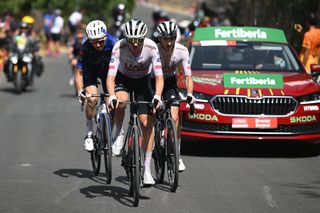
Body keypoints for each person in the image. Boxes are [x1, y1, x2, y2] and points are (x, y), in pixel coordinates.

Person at [106, 19, 164, 185]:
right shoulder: (119, 47)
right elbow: (110, 77)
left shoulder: (151, 47)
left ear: (144, 38)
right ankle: (119, 133)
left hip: (143, 82)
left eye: (139, 40)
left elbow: (159, 77)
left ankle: (146, 169)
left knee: (146, 123)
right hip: (123, 79)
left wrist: (158, 96)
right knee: (121, 100)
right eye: (132, 41)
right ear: (127, 39)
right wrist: (111, 96)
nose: (136, 44)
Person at [154, 21, 195, 171]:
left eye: (171, 38)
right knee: (151, 113)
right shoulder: (154, 50)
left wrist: (190, 94)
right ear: (159, 38)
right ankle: (152, 139)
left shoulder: (182, 50)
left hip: (169, 81)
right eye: (165, 38)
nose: (169, 42)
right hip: (151, 81)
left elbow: (188, 76)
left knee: (176, 116)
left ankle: (177, 155)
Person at [75, 20, 118, 152]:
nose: (98, 45)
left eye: (101, 41)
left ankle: (108, 132)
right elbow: (79, 72)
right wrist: (80, 91)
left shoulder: (113, 42)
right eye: (94, 42)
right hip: (91, 71)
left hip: (109, 73)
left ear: (106, 37)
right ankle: (89, 134)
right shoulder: (85, 47)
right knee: (92, 99)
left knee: (113, 102)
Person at [67, 30, 86, 94]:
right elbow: (70, 52)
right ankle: (75, 78)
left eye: (81, 38)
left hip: (84, 60)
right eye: (78, 38)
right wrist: (71, 58)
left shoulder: (86, 43)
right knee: (74, 65)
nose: (80, 39)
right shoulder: (74, 44)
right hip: (76, 60)